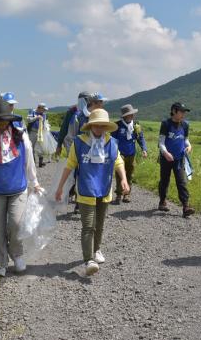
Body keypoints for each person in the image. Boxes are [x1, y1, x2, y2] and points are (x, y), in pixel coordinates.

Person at [54, 109, 129, 276]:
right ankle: (88, 260)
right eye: (96, 125)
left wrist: (123, 179)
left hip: (104, 189)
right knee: (88, 226)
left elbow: (118, 161)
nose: (99, 129)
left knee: (99, 226)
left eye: (103, 126)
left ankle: (96, 249)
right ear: (90, 126)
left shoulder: (112, 142)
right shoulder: (79, 142)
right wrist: (60, 187)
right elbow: (70, 165)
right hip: (86, 189)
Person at [0, 98, 40, 277]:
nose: (3, 123)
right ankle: (0, 262)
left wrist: (34, 182)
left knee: (16, 224)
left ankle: (17, 254)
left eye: (6, 120)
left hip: (18, 189)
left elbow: (29, 161)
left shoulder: (21, 136)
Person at [157, 102, 195, 217]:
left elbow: (185, 140)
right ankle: (162, 201)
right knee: (164, 180)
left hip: (179, 158)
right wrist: (166, 153)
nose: (183, 114)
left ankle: (185, 206)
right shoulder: (166, 124)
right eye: (181, 112)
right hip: (166, 158)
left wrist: (189, 146)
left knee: (181, 182)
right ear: (174, 111)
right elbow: (161, 142)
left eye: (184, 112)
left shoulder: (185, 125)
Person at [110, 104, 148, 204]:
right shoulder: (117, 125)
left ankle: (127, 194)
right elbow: (112, 141)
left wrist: (144, 149)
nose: (132, 116)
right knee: (120, 174)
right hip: (119, 154)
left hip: (131, 153)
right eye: (130, 114)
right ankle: (118, 194)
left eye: (132, 114)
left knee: (130, 174)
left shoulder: (136, 125)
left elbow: (140, 138)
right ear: (124, 116)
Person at [27, 103, 49, 167]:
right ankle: (32, 162)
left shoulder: (44, 114)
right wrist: (36, 117)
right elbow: (28, 120)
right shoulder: (32, 112)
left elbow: (45, 123)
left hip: (41, 133)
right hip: (32, 132)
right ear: (39, 108)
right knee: (31, 147)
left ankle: (40, 162)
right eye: (43, 109)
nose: (44, 111)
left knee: (41, 147)